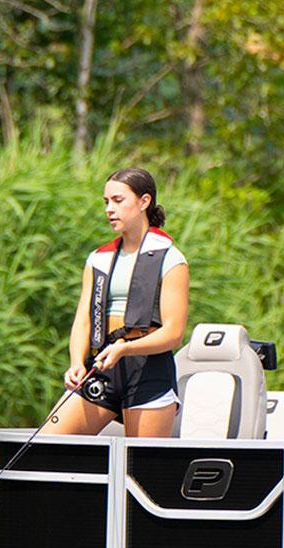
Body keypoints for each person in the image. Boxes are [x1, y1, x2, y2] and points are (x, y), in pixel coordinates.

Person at [50, 167, 189, 437]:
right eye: (106, 202)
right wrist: (77, 362)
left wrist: (125, 349)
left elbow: (174, 334)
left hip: (148, 370)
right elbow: (83, 320)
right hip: (102, 366)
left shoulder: (172, 260)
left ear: (144, 202)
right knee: (47, 445)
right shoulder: (98, 259)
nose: (109, 209)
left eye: (118, 200)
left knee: (139, 474)